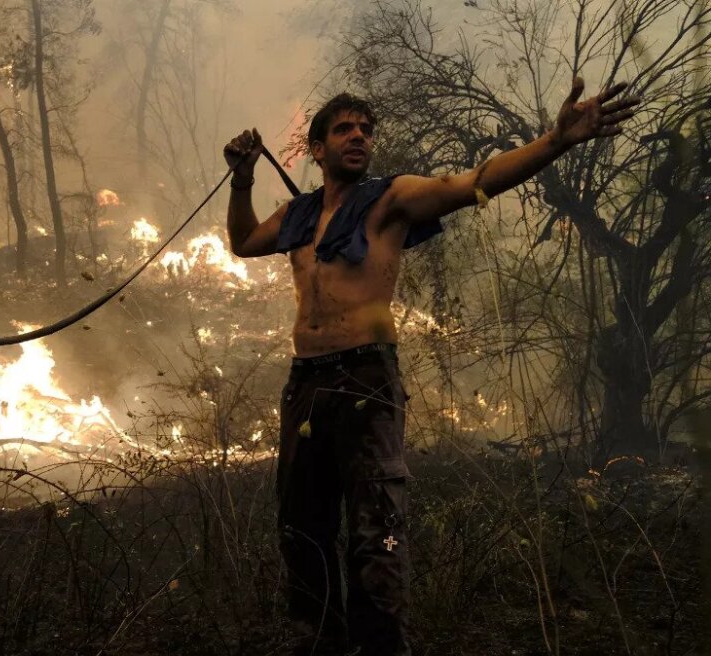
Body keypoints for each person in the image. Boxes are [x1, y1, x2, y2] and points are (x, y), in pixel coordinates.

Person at [223, 79, 638, 655]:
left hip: (366, 380)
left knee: (376, 536)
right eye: (344, 129)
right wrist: (242, 178)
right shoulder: (297, 215)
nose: (359, 137)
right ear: (315, 149)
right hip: (307, 385)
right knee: (302, 530)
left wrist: (557, 141)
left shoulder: (390, 198)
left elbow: (471, 182)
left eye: (366, 129)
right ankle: (318, 644)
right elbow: (243, 241)